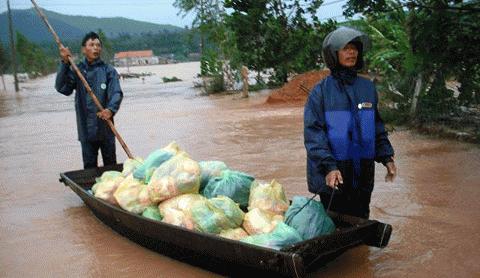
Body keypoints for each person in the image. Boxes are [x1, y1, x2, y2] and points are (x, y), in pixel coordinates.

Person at [304, 26, 397, 219]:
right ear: (333, 53)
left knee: (361, 220)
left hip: (362, 170)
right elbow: (314, 135)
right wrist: (329, 167)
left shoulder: (367, 87)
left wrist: (387, 157)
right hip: (334, 173)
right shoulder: (320, 92)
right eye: (346, 48)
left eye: (355, 48)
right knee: (335, 223)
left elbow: (376, 126)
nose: (352, 51)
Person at [55, 31, 123, 169]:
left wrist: (110, 110)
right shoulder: (77, 70)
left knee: (111, 167)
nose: (96, 48)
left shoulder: (108, 70)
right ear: (83, 49)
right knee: (89, 168)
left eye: (98, 45)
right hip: (86, 130)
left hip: (106, 128)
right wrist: (64, 63)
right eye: (91, 45)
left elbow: (116, 92)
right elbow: (62, 88)